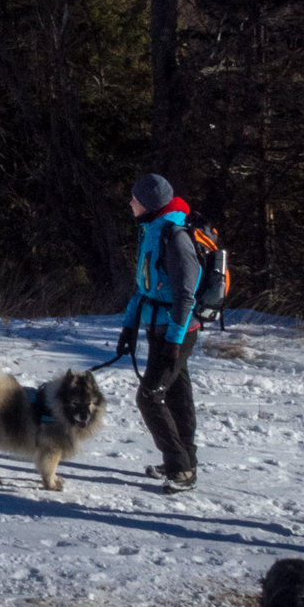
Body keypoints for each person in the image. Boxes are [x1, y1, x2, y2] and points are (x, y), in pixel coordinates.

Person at [116, 173, 203, 494]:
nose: (130, 203)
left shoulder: (175, 237)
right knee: (178, 396)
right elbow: (143, 287)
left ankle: (181, 470)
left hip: (176, 332)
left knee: (149, 396)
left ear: (149, 204)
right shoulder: (152, 231)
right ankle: (184, 461)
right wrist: (128, 326)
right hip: (158, 328)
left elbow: (185, 295)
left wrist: (175, 341)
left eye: (134, 199)